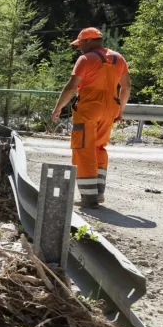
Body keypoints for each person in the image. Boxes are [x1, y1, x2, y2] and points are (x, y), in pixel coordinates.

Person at [50, 27, 132, 208]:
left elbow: (71, 87)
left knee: (83, 149)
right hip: (111, 107)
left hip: (89, 108)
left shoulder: (86, 59)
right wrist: (120, 110)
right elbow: (126, 87)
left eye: (80, 44)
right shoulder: (118, 58)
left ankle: (88, 198)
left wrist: (58, 108)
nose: (79, 48)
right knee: (99, 147)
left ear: (88, 41)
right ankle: (98, 193)